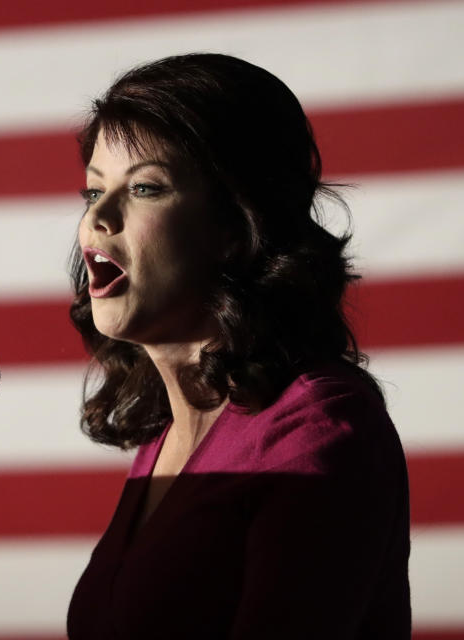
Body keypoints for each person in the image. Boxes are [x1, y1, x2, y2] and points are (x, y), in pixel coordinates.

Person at [65, 54, 410, 639]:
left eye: (145, 187)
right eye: (92, 191)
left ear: (234, 226)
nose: (99, 217)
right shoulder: (166, 437)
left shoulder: (318, 426)